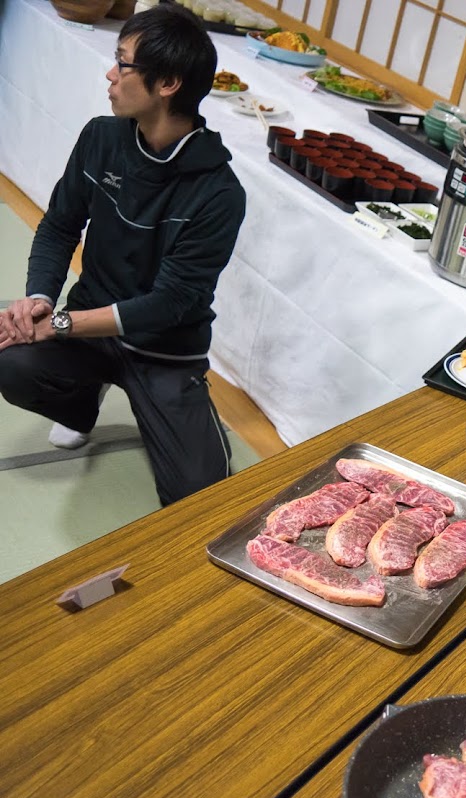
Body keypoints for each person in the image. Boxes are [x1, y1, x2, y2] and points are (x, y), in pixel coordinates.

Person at [0, 4, 245, 506]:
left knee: (200, 498)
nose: (110, 75)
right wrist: (39, 301)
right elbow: (60, 225)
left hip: (164, 349)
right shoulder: (101, 136)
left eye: (123, 63)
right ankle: (81, 403)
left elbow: (169, 304)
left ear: (168, 83)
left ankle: (187, 409)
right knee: (9, 355)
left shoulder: (219, 193)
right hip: (91, 324)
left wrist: (61, 325)